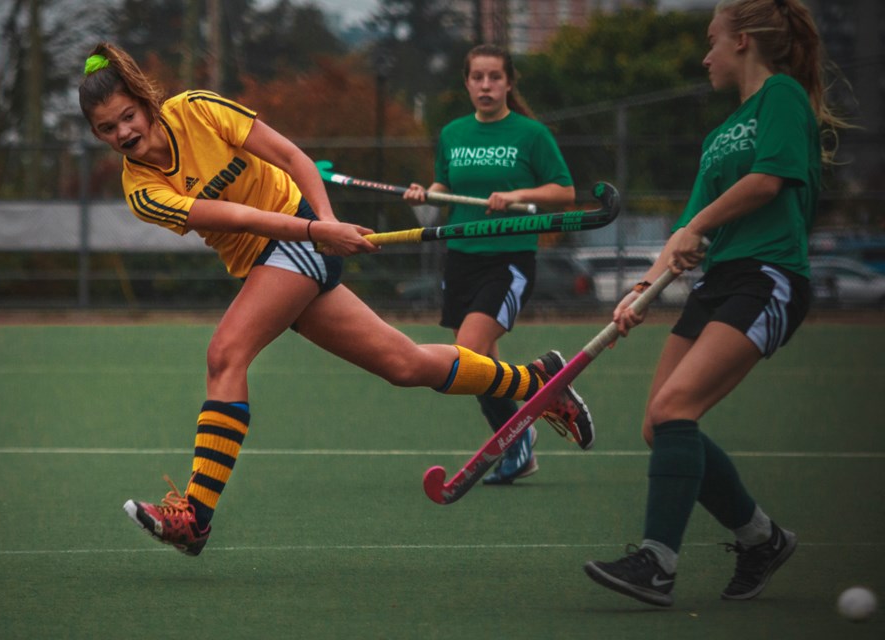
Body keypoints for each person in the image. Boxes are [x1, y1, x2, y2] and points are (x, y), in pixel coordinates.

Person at [78, 42, 587, 557]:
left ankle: (196, 516)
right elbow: (235, 218)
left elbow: (292, 157)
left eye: (127, 116)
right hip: (275, 254)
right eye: (107, 129)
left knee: (225, 354)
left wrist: (324, 221)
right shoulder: (141, 188)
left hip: (297, 240)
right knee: (405, 364)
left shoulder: (196, 110)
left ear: (145, 103)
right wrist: (316, 229)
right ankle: (540, 381)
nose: (123, 133)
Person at [583, 0, 847, 607]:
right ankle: (762, 538)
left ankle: (657, 562)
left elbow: (766, 182)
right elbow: (685, 234)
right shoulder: (719, 134)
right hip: (718, 282)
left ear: (744, 42)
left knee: (677, 406)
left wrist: (694, 228)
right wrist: (640, 290)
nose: (704, 56)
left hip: (768, 276)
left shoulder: (781, 97)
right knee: (660, 423)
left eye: (711, 42)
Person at [403, 44, 594, 485]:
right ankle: (519, 446)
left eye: (494, 77)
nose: (485, 86)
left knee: (466, 355)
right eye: (477, 78)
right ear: (467, 83)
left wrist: (515, 196)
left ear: (509, 83)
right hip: (461, 258)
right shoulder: (452, 133)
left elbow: (563, 191)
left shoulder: (530, 134)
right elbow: (443, 184)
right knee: (480, 365)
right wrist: (425, 193)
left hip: (508, 260)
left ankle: (540, 384)